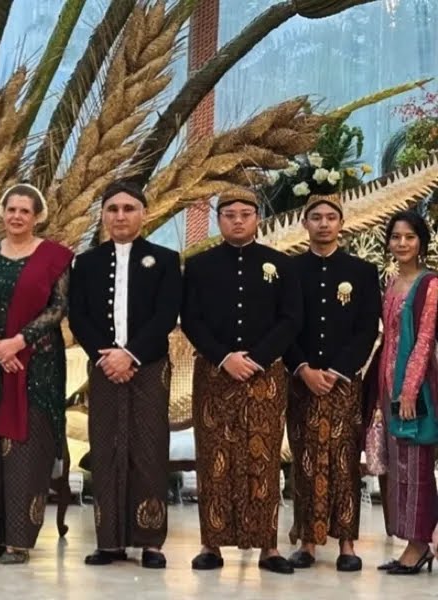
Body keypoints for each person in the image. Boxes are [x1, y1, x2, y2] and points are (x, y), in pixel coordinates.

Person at [181, 191, 301, 574]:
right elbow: (191, 318)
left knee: (262, 457)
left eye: (245, 214)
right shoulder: (198, 266)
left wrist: (257, 358)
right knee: (213, 458)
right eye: (229, 214)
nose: (237, 220)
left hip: (265, 375)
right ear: (218, 220)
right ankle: (211, 545)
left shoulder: (280, 264)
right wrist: (224, 357)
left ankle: (268, 546)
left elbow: (291, 318)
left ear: (257, 218)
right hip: (215, 373)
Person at [68, 180, 180, 569]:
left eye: (128, 208)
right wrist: (107, 357)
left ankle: (150, 541)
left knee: (149, 449)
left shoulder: (164, 259)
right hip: (103, 367)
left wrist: (130, 355)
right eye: (112, 209)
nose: (120, 216)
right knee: (106, 449)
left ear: (143, 214)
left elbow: (166, 314)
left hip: (148, 367)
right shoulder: (86, 263)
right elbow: (79, 316)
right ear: (102, 215)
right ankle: (110, 542)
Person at [0, 183, 73, 565]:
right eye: (11, 209)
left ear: (37, 216)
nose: (17, 216)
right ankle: (0, 534)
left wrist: (18, 342)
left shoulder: (54, 257)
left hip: (38, 365)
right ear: (2, 212)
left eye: (25, 211)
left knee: (28, 449)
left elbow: (58, 307)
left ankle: (21, 539)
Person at [284, 195, 379, 572]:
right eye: (316, 217)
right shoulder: (290, 270)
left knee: (344, 461)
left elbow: (366, 328)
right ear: (305, 223)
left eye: (330, 217)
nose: (323, 224)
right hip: (301, 380)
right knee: (305, 459)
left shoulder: (362, 271)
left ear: (341, 223)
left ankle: (347, 542)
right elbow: (283, 324)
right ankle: (307, 541)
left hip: (344, 383)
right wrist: (303, 368)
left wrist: (339, 369)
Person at [367, 211, 438, 576]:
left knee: (417, 467)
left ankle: (419, 544)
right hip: (387, 386)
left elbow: (425, 340)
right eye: (396, 237)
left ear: (421, 242)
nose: (402, 243)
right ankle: (411, 541)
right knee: (398, 469)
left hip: (416, 391)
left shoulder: (430, 284)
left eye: (410, 237)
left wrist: (409, 391)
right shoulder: (392, 282)